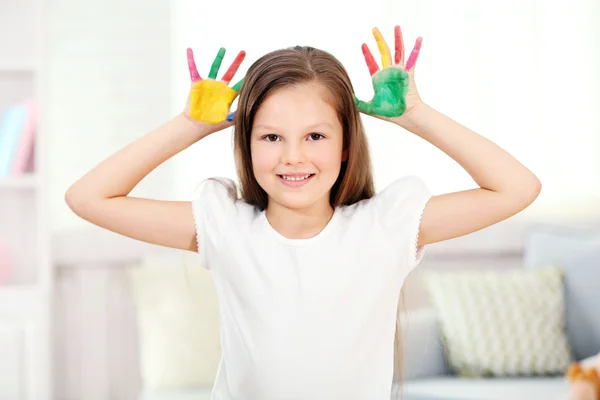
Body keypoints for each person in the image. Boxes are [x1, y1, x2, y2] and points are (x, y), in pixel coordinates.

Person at [65, 24, 541, 400]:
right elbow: (88, 198)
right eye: (272, 137)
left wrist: (415, 115)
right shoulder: (224, 227)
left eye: (315, 136)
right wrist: (188, 125)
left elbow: (518, 188)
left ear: (346, 146)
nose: (293, 156)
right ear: (246, 145)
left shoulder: (385, 228)